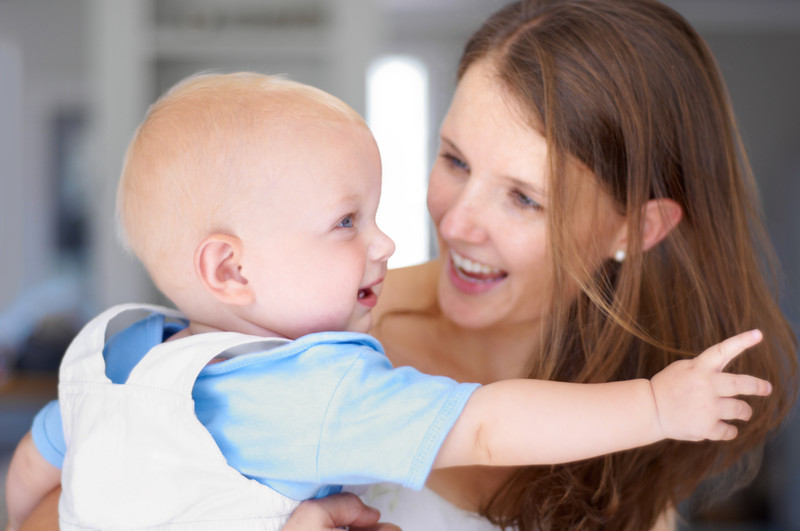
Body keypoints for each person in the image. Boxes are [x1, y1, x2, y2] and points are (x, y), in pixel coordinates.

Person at [10, 0, 799, 528]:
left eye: (524, 198)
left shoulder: (631, 434)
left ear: (638, 227)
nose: (454, 222)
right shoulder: (313, 345)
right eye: (454, 159)